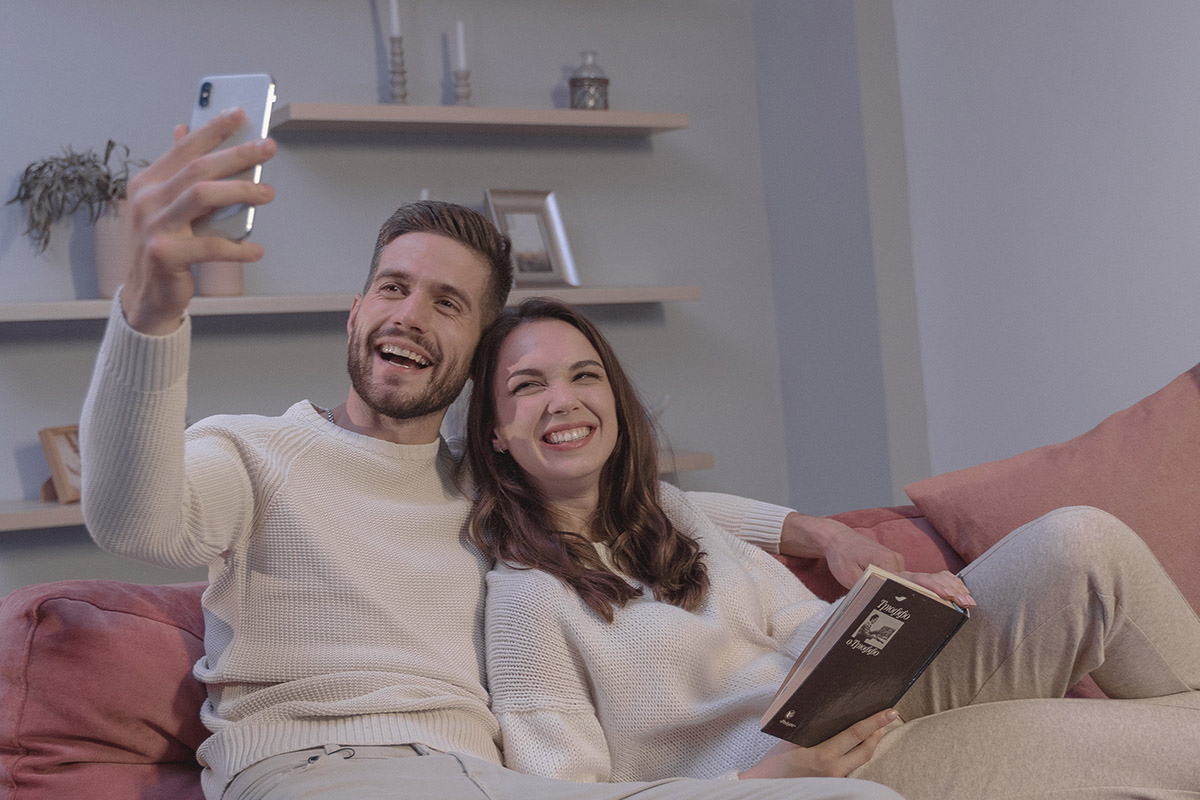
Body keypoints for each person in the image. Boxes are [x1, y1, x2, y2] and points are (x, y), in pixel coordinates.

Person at [79, 108, 904, 800]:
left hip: (479, 778)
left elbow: (642, 505)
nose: (409, 316)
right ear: (356, 310)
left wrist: (814, 533)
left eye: (448, 304)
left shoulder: (488, 488)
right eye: (394, 289)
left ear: (477, 354)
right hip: (314, 767)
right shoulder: (257, 453)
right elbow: (132, 520)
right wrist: (149, 317)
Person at [467, 297, 1200, 798]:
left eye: (583, 375)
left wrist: (892, 616)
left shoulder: (674, 514)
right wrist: (766, 782)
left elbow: (800, 624)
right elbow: (566, 795)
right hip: (829, 776)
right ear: (496, 434)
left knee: (1080, 541)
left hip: (868, 699)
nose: (563, 400)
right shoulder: (528, 599)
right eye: (529, 387)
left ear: (614, 402)